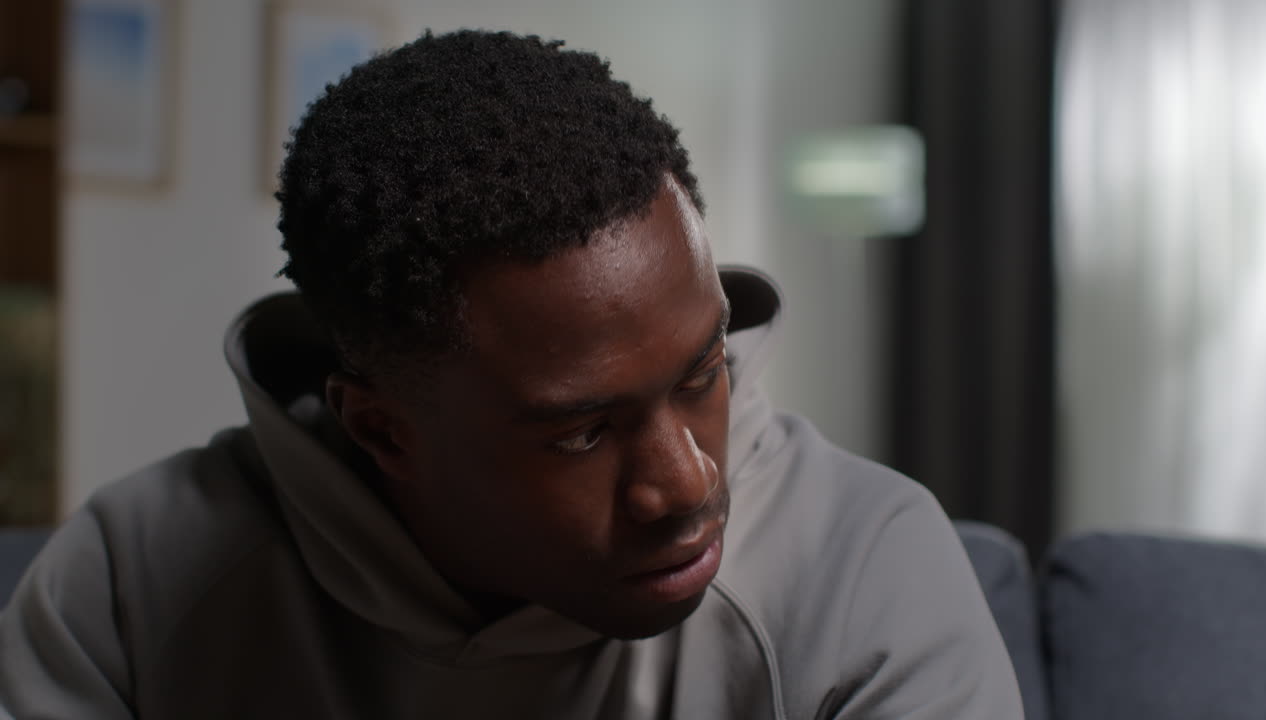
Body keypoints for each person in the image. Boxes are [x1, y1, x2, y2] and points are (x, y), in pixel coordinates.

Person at [0, 30, 1022, 719]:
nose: (685, 485)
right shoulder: (134, 584)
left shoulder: (864, 568)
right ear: (382, 430)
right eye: (581, 432)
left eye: (701, 371)